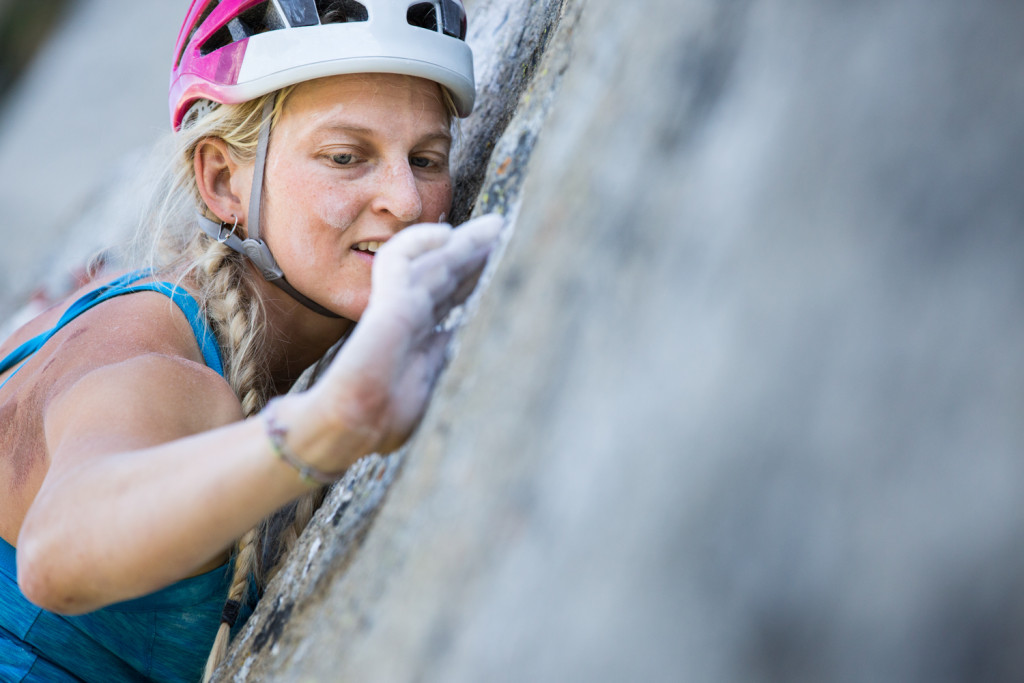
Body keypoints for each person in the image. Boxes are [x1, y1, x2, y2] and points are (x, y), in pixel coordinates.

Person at [0, 0, 500, 681]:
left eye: (427, 157)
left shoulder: (135, 303)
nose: (406, 200)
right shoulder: (159, 374)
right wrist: (333, 421)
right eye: (346, 156)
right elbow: (56, 551)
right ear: (222, 180)